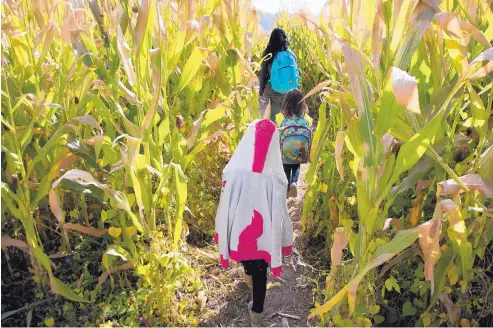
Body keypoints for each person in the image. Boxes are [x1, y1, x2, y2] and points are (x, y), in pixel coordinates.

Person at [214, 119, 293, 326]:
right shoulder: (276, 177)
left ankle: (248, 275)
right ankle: (257, 313)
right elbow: (279, 210)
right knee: (261, 271)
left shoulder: (233, 172)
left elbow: (226, 205)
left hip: (240, 232)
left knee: (247, 257)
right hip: (264, 236)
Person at [259, 28, 299, 121]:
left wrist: (261, 90)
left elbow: (263, 74)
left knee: (275, 115)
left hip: (273, 88)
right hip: (289, 88)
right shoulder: (291, 54)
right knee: (286, 113)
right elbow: (295, 71)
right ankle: (285, 132)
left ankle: (274, 132)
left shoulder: (269, 53)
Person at [279, 89, 312, 198]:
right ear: (302, 104)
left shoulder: (284, 121)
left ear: (286, 103)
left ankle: (287, 187)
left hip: (286, 151)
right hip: (300, 150)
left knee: (286, 168)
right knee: (296, 166)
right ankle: (294, 183)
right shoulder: (305, 121)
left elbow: (280, 136)